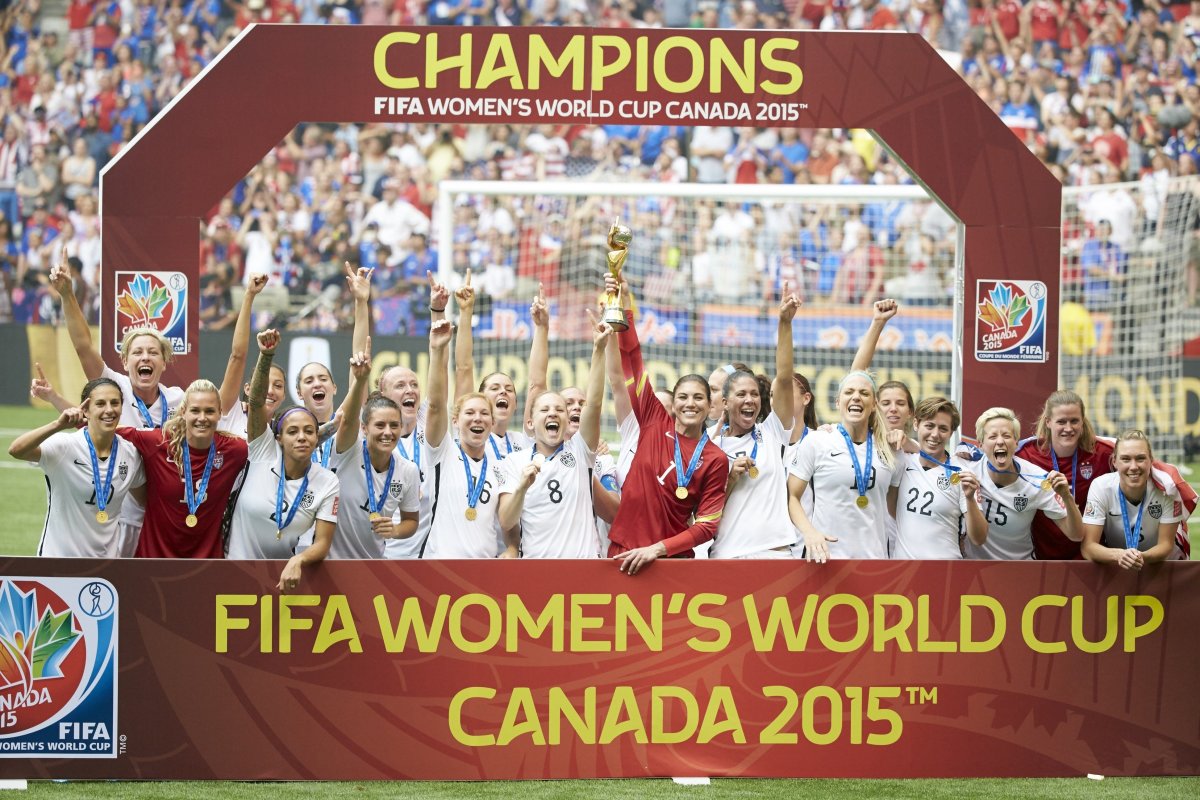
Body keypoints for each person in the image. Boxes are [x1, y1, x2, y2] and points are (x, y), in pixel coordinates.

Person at [604, 274, 730, 575]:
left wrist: (659, 549)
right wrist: (624, 310)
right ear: (673, 404)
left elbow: (708, 525)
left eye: (699, 397)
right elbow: (632, 360)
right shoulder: (652, 420)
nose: (690, 403)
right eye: (683, 397)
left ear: (710, 405)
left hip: (673, 563)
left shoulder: (715, 459)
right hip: (624, 551)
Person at [226, 330, 339, 592]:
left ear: (317, 437)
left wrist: (300, 558)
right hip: (233, 572)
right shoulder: (262, 450)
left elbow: (322, 542)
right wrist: (266, 355)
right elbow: (255, 403)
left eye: (309, 431)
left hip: (284, 579)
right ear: (277, 438)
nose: (302, 437)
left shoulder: (327, 482)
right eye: (292, 431)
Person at [497, 310, 612, 558]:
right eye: (545, 409)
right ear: (530, 421)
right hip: (537, 571)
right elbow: (506, 522)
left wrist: (599, 350)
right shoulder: (514, 462)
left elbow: (594, 403)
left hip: (583, 569)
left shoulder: (581, 451)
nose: (554, 414)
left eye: (560, 409)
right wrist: (521, 488)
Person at [710, 283, 800, 559]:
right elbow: (703, 510)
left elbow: (784, 378)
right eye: (740, 394)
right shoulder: (709, 445)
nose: (749, 400)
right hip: (727, 556)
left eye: (754, 394)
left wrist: (784, 323)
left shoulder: (772, 432)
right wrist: (729, 478)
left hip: (773, 554)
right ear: (725, 403)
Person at [9, 378, 145, 558]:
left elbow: (144, 501)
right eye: (100, 404)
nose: (109, 410)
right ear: (86, 410)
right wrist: (57, 425)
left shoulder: (130, 454)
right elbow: (16, 450)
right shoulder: (65, 446)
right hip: (59, 561)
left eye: (115, 403)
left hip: (107, 566)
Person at [118, 379, 249, 558]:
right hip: (152, 563)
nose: (202, 418)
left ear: (220, 413)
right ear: (183, 412)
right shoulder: (158, 442)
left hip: (206, 566)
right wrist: (73, 418)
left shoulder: (235, 450)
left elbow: (270, 451)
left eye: (209, 411)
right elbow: (105, 430)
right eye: (195, 410)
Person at [787, 370, 901, 562]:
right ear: (838, 402)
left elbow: (896, 510)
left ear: (874, 405)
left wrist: (908, 443)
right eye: (849, 392)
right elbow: (792, 497)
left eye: (864, 393)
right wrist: (810, 532)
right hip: (826, 560)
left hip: (875, 562)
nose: (856, 397)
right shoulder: (817, 441)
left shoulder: (891, 450)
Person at [327, 338, 420, 559]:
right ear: (364, 428)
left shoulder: (408, 470)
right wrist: (360, 380)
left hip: (374, 568)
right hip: (330, 564)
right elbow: (347, 421)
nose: (388, 432)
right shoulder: (349, 451)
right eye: (379, 425)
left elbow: (411, 521)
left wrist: (396, 530)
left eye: (394, 425)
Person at [422, 318, 507, 558]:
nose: (477, 419)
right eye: (469, 413)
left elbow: (509, 521)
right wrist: (438, 351)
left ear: (492, 423)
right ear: (456, 421)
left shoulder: (500, 465)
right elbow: (437, 405)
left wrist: (511, 547)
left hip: (486, 570)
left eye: (484, 414)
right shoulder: (443, 451)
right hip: (441, 568)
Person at [383, 271, 452, 560]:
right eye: (400, 385)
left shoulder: (425, 421)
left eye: (413, 384)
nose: (410, 389)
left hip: (425, 555)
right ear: (382, 396)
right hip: (379, 553)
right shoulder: (373, 433)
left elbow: (438, 391)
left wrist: (437, 311)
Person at [961, 408, 1082, 561]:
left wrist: (1066, 496)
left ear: (1016, 442)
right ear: (980, 444)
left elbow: (1076, 535)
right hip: (973, 568)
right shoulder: (967, 471)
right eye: (992, 436)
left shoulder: (1038, 480)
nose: (1000, 441)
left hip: (1021, 569)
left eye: (1006, 435)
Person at [1015, 390, 1113, 560]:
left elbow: (1142, 457)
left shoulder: (1104, 452)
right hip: (1041, 558)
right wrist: (966, 451)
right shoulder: (1026, 453)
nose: (1068, 428)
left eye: (1074, 421)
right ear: (1048, 422)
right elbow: (989, 453)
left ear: (1082, 421)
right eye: (1061, 421)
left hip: (1091, 560)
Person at [293, 263, 373, 467]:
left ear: (334, 388)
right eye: (309, 380)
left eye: (323, 379)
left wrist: (361, 302)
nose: (317, 384)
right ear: (299, 392)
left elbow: (359, 355)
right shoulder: (291, 432)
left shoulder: (349, 419)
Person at [452, 268, 532, 456]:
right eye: (495, 388)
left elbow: (536, 384)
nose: (503, 391)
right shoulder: (469, 434)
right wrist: (466, 312)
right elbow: (464, 367)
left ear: (516, 404)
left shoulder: (524, 442)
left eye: (509, 389)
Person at [1081, 430, 1183, 570]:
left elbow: (1166, 545)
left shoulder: (1168, 488)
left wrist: (1139, 557)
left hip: (1160, 566)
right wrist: (1120, 555)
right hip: (1116, 565)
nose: (1134, 467)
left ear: (1151, 460)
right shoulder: (1101, 487)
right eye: (1126, 459)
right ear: (1114, 461)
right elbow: (1088, 547)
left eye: (1140, 458)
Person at [890, 396, 967, 559]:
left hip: (947, 571)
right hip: (903, 570)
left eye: (943, 429)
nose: (935, 434)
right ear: (916, 424)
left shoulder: (960, 473)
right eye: (929, 426)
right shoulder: (902, 462)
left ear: (951, 433)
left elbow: (977, 537)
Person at [215, 273, 282, 438]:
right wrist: (249, 295)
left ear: (285, 395)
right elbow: (237, 356)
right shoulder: (231, 412)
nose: (270, 391)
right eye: (265, 384)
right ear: (247, 388)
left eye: (279, 386)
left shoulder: (285, 429)